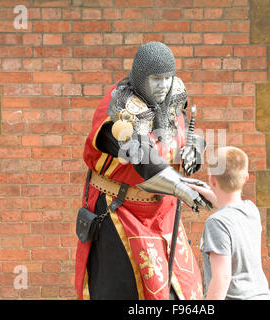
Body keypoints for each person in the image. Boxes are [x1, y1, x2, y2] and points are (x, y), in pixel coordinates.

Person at [74, 42, 211, 300]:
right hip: (122, 212)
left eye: (168, 78)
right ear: (140, 76)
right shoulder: (118, 110)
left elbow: (183, 132)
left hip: (164, 214)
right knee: (131, 292)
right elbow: (143, 158)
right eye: (155, 79)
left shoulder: (172, 97)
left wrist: (194, 148)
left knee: (183, 290)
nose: (163, 86)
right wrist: (182, 186)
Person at [189, 146, 270, 300]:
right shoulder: (251, 210)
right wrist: (212, 194)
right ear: (246, 178)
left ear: (212, 179)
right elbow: (230, 209)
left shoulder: (216, 223)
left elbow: (222, 278)